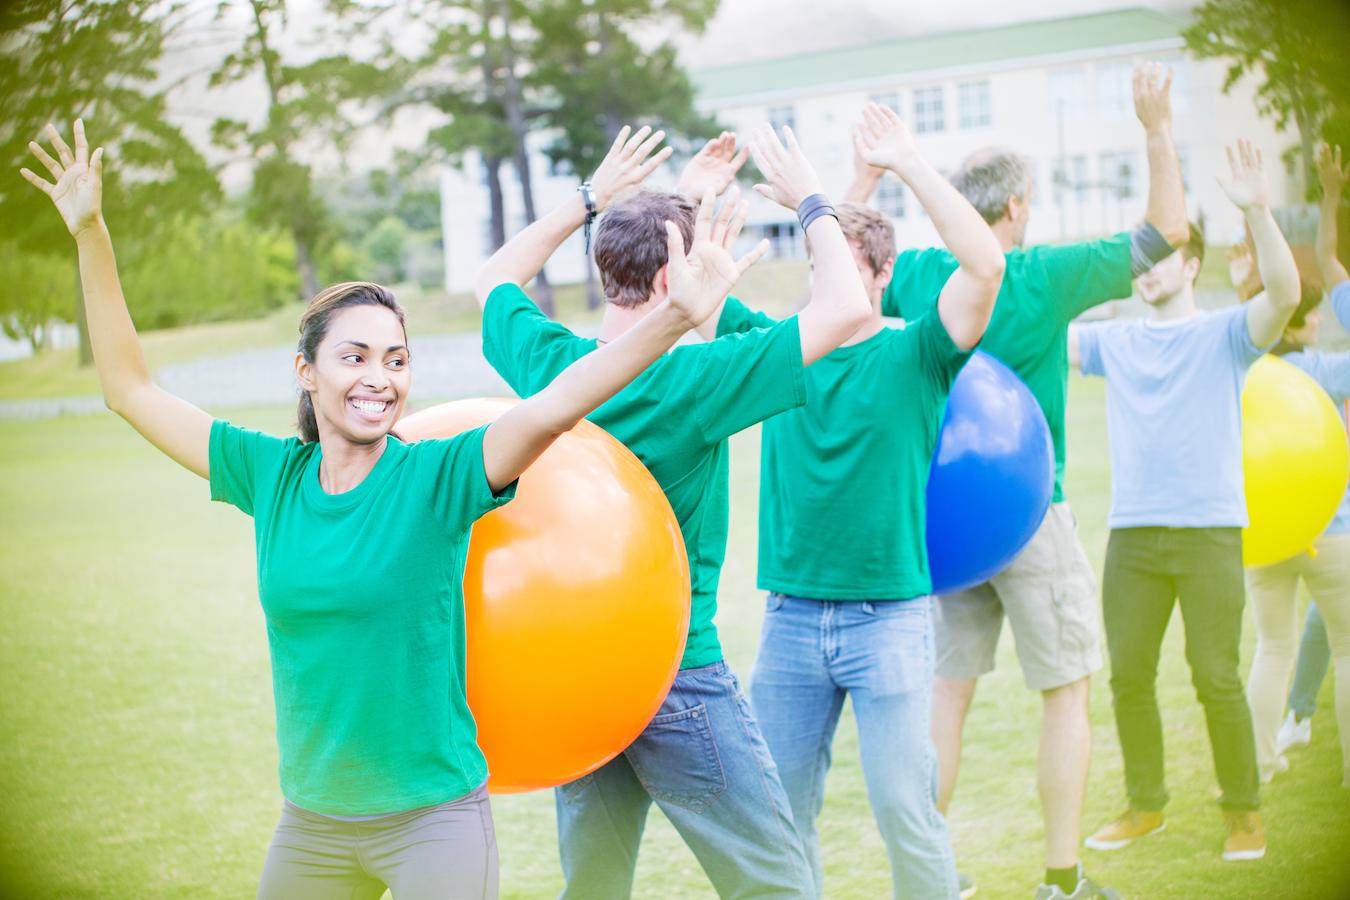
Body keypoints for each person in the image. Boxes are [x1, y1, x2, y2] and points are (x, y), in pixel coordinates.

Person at [21, 119, 761, 898]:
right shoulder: (267, 475)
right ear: (305, 371)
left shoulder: (438, 476)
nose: (380, 377)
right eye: (355, 356)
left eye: (396, 360)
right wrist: (92, 233)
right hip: (312, 824)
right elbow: (129, 390)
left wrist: (675, 318)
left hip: (432, 823)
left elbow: (557, 405)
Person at [477, 123, 870, 898]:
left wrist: (596, 200)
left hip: (579, 679)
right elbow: (848, 309)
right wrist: (811, 201)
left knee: (592, 888)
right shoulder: (696, 383)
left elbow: (495, 277)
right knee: (777, 885)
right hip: (673, 677)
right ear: (673, 281)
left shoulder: (549, 365)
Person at [847, 62, 1188, 899]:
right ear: (1019, 207)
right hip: (1033, 513)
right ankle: (1061, 882)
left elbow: (849, 246)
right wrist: (1154, 131)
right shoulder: (1042, 275)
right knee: (1065, 693)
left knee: (947, 697)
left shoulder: (921, 275)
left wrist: (874, 172)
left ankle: (926, 882)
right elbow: (1165, 234)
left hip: (943, 523)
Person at [710, 104, 1003, 899]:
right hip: (792, 620)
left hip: (890, 623)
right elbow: (690, 297)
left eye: (838, 268)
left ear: (880, 277)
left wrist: (901, 164)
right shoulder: (780, 352)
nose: (825, 285)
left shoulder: (919, 353)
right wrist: (717, 197)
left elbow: (985, 267)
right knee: (778, 816)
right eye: (816, 269)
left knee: (907, 810)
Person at [1070, 139, 1302, 861]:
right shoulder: (1114, 342)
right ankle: (1146, 805)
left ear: (1191, 265)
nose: (1145, 274)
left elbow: (1287, 296)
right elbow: (1035, 327)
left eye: (1160, 259)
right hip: (1133, 538)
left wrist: (1258, 209)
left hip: (1207, 533)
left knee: (1215, 674)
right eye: (1138, 266)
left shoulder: (1225, 334)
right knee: (1129, 675)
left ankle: (1244, 811)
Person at [1244, 142, 1350, 790]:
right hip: (1333, 528)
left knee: (1272, 649)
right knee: (1347, 650)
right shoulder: (1328, 369)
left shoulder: (1244, 371)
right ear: (1308, 324)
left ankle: (1257, 767)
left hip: (1262, 534)